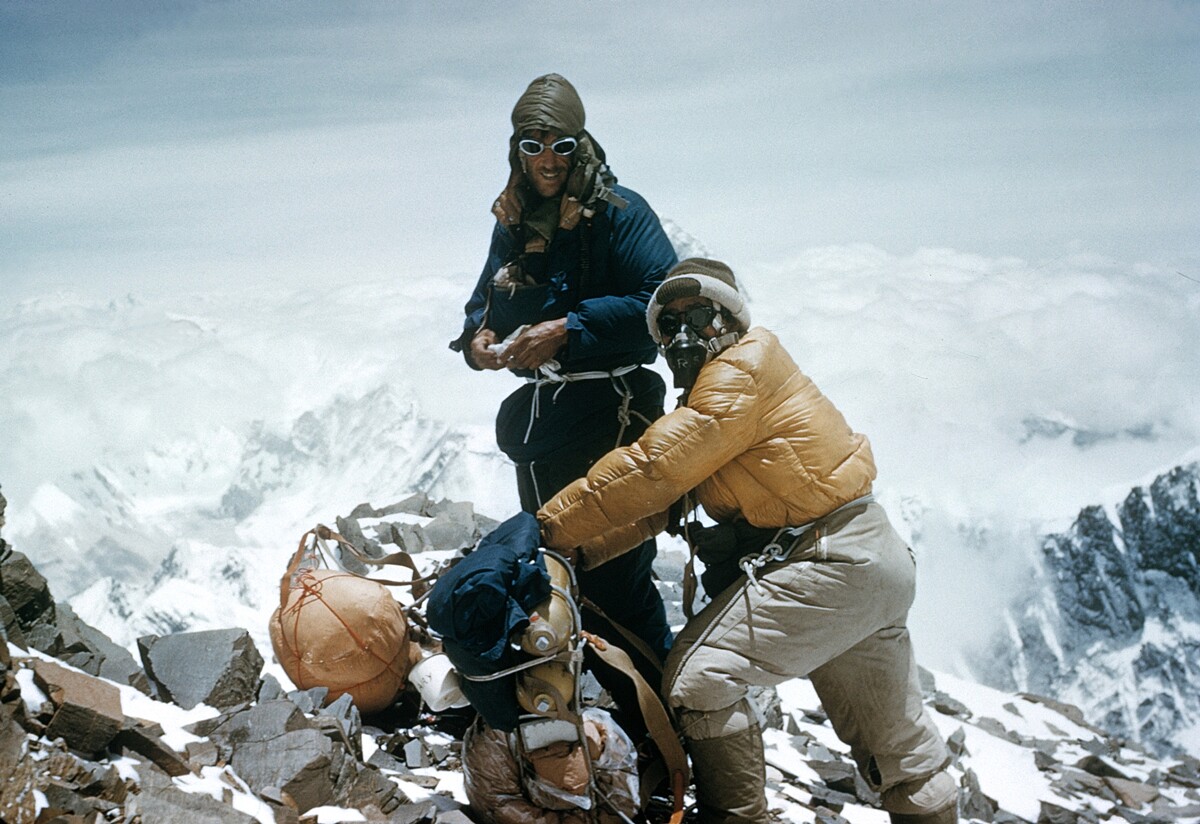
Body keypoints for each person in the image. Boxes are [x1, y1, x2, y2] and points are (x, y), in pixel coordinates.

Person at [537, 258, 958, 823]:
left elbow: (651, 470)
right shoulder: (726, 393)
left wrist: (542, 528)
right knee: (901, 754)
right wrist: (577, 549)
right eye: (672, 323)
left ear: (732, 320)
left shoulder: (740, 373)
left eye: (702, 316)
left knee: (698, 679)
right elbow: (662, 504)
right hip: (870, 564)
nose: (686, 334)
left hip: (830, 560)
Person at [451, 73, 678, 684]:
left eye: (560, 145)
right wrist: (479, 342)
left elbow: (662, 300)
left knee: (615, 572)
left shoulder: (619, 213)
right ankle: (606, 714)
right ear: (517, 152)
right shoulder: (514, 221)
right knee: (557, 564)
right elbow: (483, 305)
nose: (547, 160)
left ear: (582, 144)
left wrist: (566, 330)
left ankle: (664, 721)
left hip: (615, 414)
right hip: (546, 425)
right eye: (533, 145)